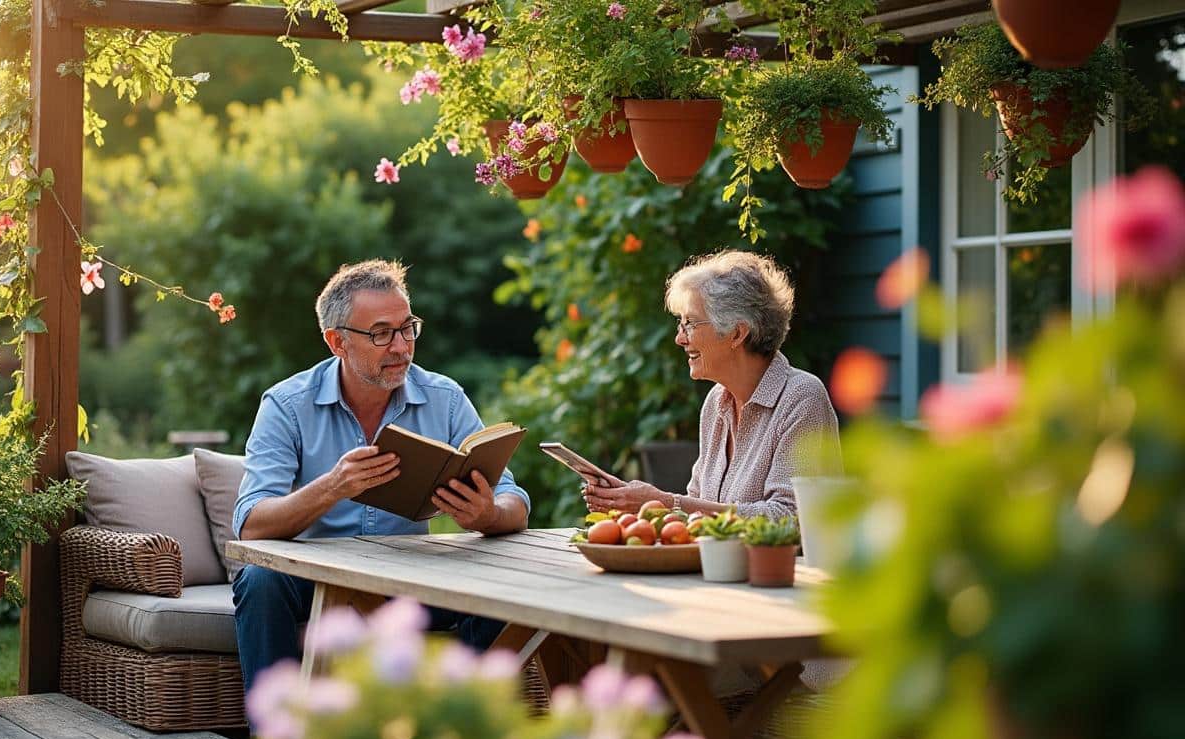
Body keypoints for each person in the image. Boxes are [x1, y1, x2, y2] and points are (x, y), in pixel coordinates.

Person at [232, 260, 531, 692]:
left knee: (502, 588)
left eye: (408, 328)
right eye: (381, 333)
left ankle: (459, 734)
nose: (401, 347)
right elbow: (250, 524)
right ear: (337, 342)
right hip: (318, 579)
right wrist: (334, 486)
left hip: (414, 577)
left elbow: (514, 501)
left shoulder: (444, 398)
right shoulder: (286, 404)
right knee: (259, 580)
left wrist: (488, 514)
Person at [583, 249, 841, 518]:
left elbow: (791, 518)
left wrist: (666, 503)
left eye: (690, 323)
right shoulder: (717, 402)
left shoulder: (801, 397)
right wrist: (636, 504)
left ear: (737, 333)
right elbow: (698, 511)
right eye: (680, 324)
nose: (680, 339)